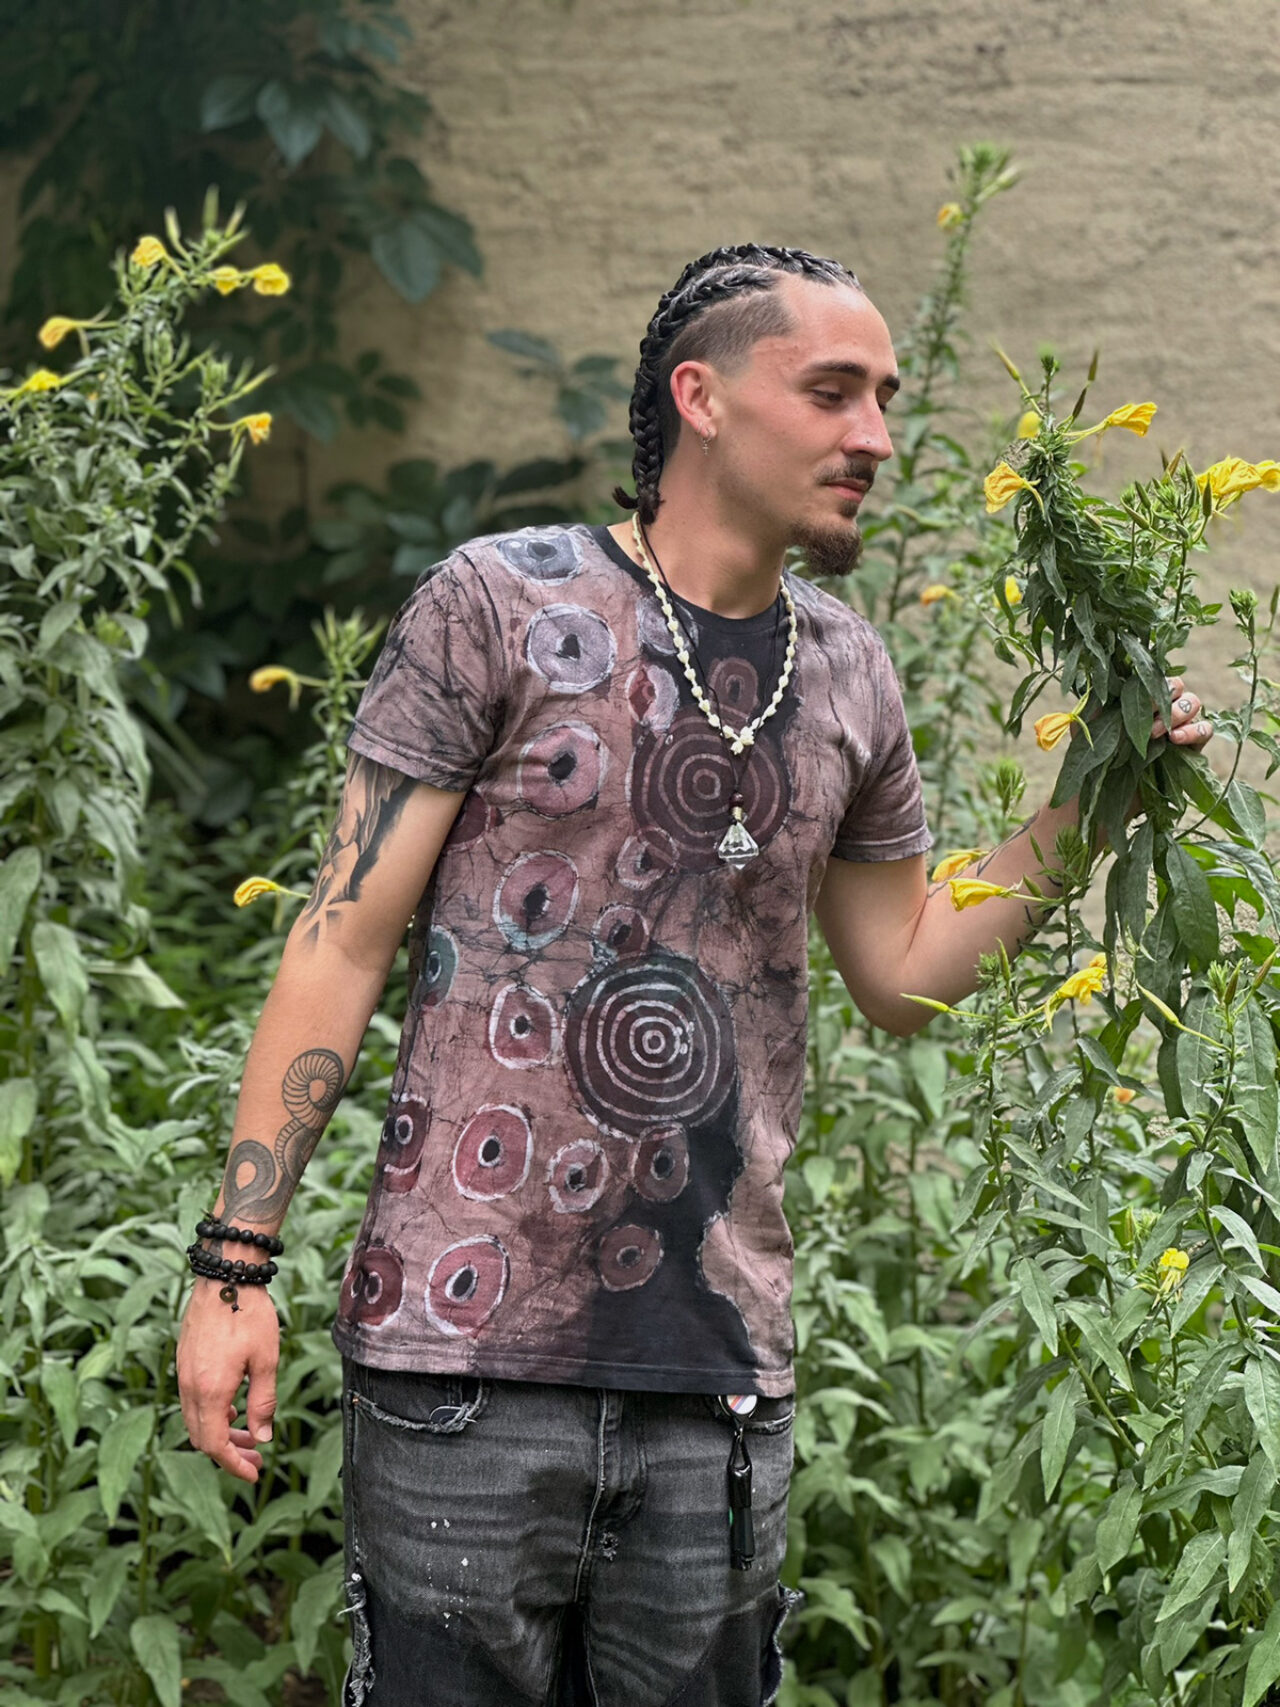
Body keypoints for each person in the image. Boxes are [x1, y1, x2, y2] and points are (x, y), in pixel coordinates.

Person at [176, 244, 1213, 1707]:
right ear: (702, 398)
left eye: (885, 398)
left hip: (718, 1383)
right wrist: (235, 1263)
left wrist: (1088, 803)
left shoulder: (846, 672)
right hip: (462, 1372)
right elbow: (341, 937)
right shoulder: (498, 605)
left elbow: (905, 969)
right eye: (833, 392)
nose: (875, 436)